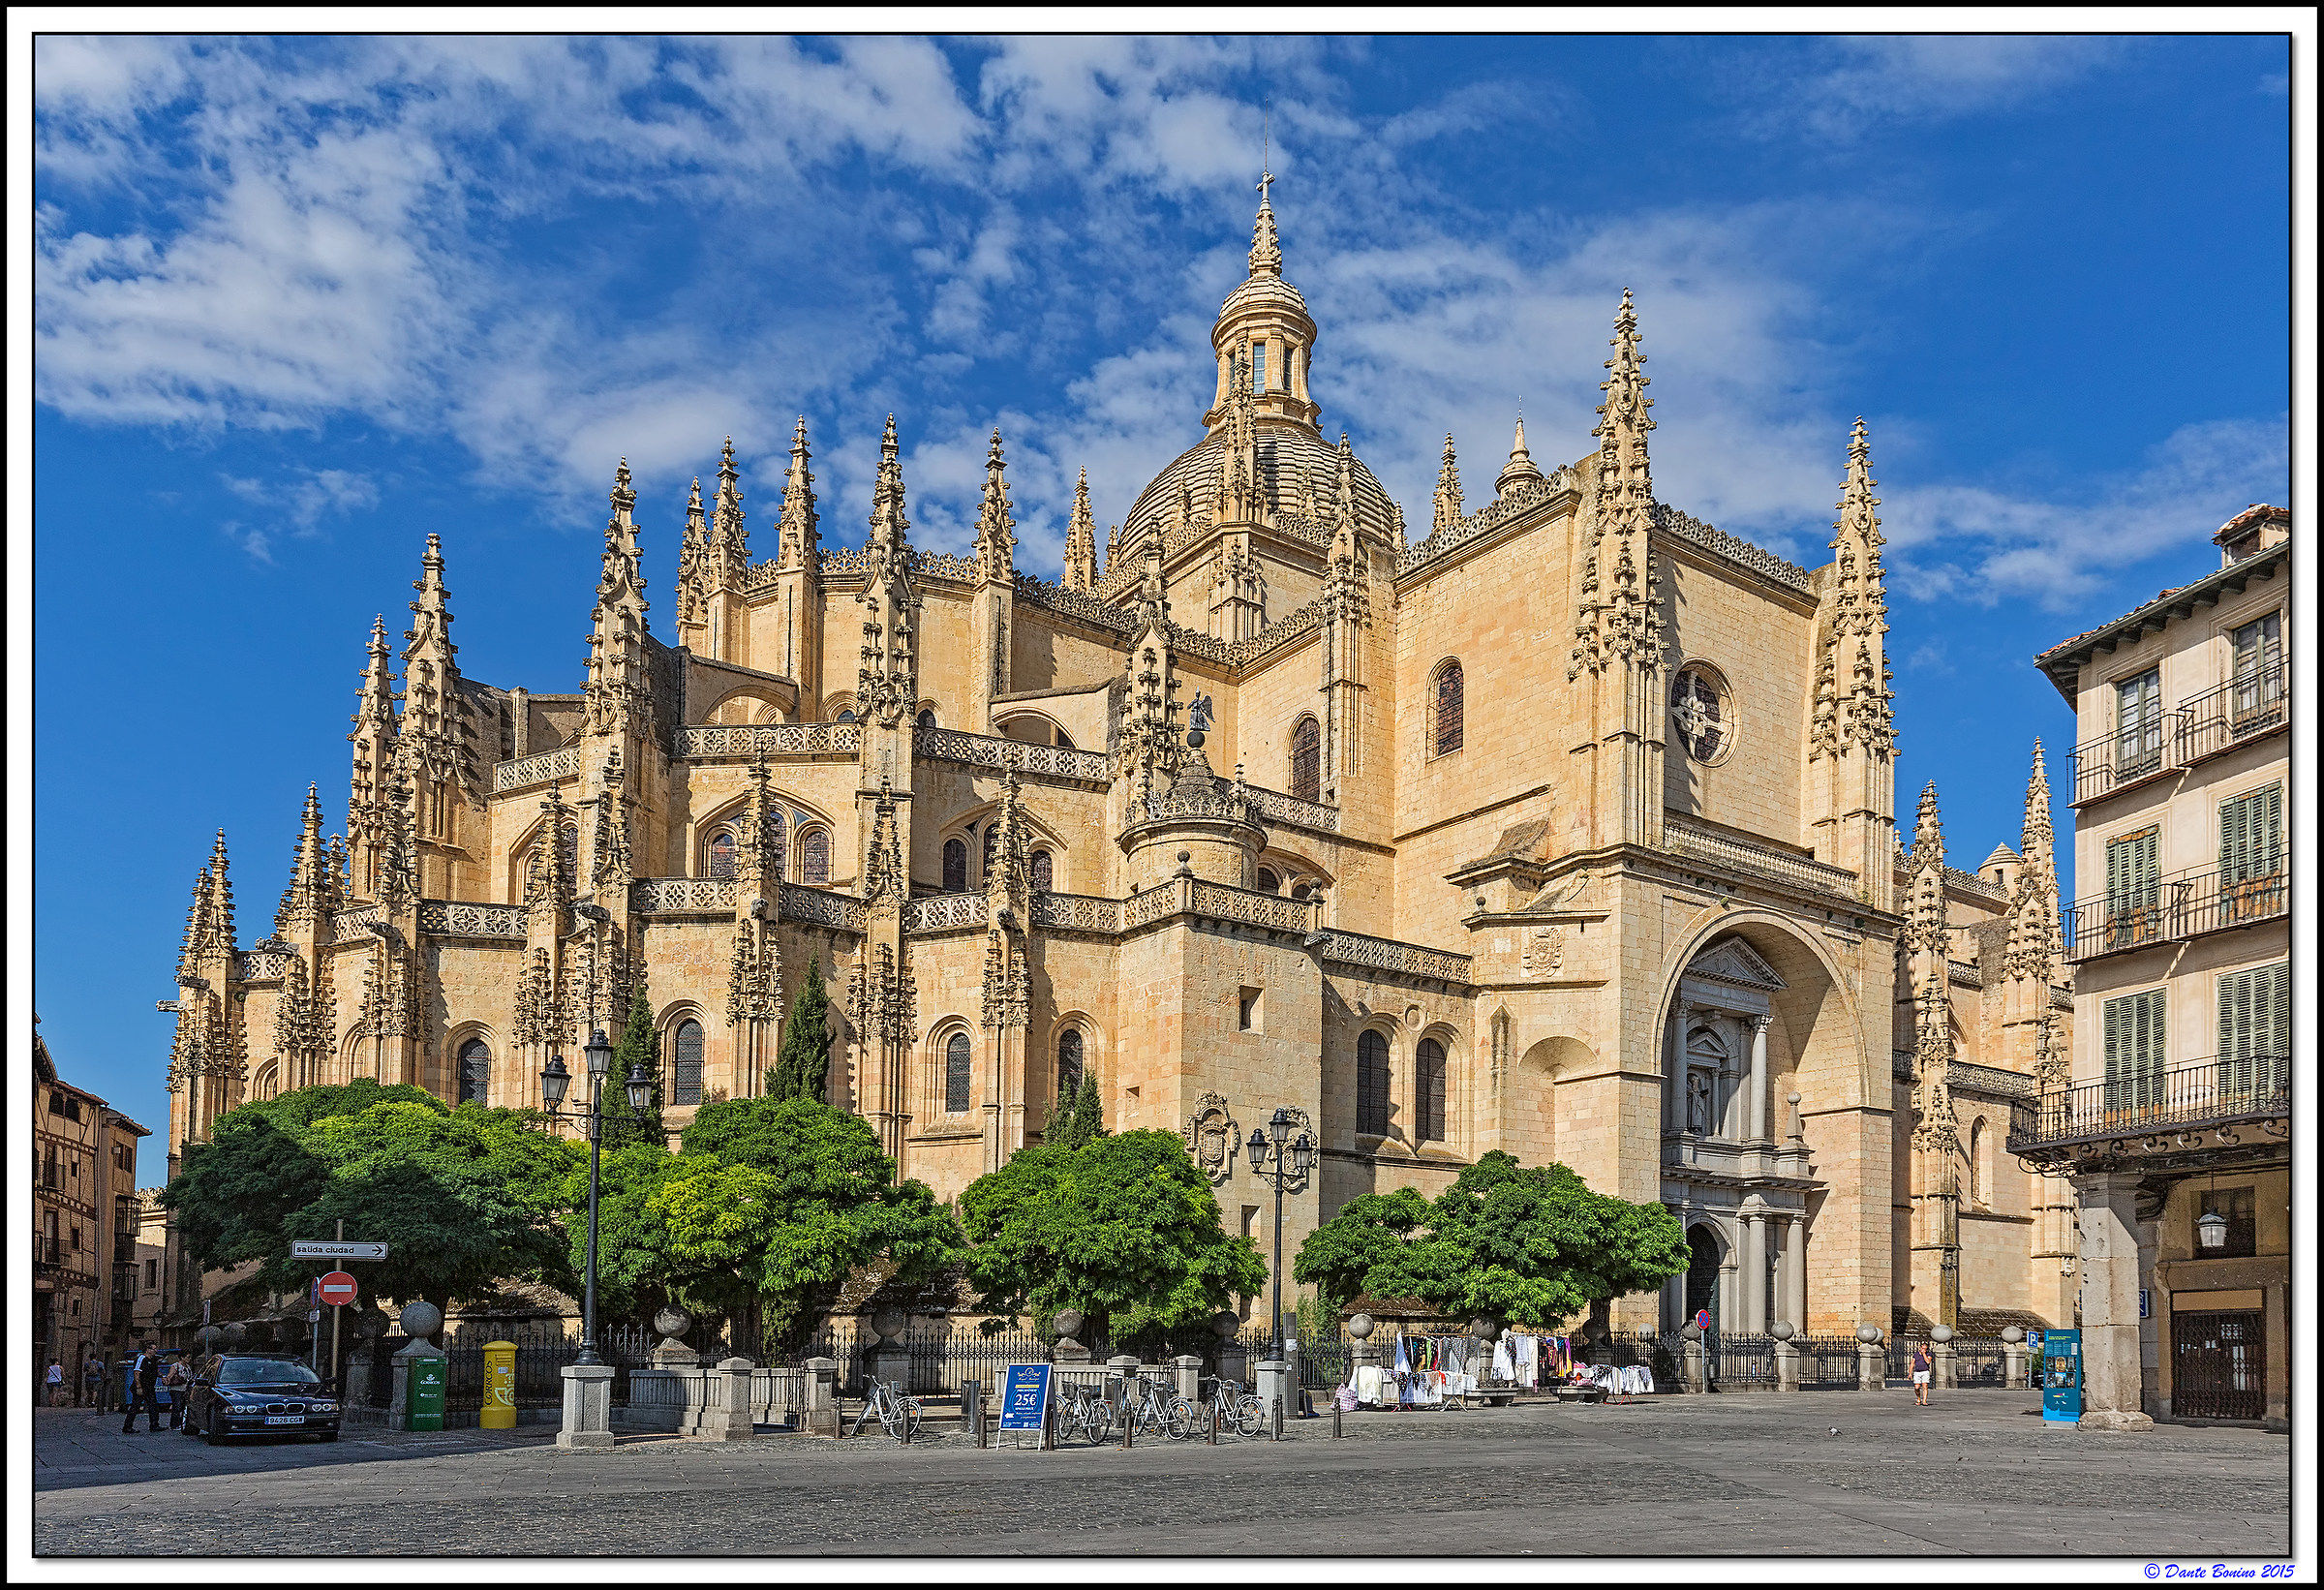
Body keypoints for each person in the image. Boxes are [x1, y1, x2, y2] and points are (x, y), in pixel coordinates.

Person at [122, 1344, 163, 1433]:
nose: (156, 1351)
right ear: (148, 1349)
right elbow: (137, 1373)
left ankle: (154, 1425)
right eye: (154, 1349)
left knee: (153, 1405)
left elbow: (155, 1371)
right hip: (142, 1386)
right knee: (135, 1406)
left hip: (150, 1387)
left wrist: (162, 1376)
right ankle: (127, 1426)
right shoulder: (141, 1359)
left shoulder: (153, 1360)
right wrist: (138, 1387)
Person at [160, 1353, 191, 1429]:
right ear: (182, 1357)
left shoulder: (188, 1367)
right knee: (177, 1406)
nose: (189, 1359)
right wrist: (166, 1380)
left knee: (182, 1407)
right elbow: (170, 1376)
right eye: (187, 1357)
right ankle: (174, 1425)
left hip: (185, 1389)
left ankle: (180, 1423)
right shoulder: (176, 1366)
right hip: (176, 1389)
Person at [1911, 1342, 1934, 1406]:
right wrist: (1910, 1373)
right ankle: (1918, 1398)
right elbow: (1912, 1363)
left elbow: (1928, 1362)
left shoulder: (1929, 1354)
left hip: (1925, 1371)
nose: (1924, 1350)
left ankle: (1924, 1401)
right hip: (1917, 1372)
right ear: (1920, 1348)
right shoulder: (1916, 1355)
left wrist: (1924, 1354)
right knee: (1917, 1387)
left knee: (1925, 1386)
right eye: (1923, 1348)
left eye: (1925, 1349)